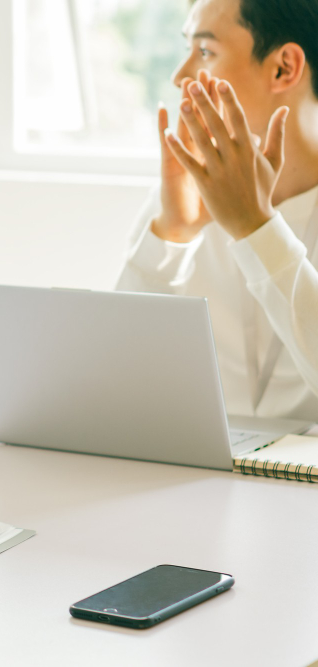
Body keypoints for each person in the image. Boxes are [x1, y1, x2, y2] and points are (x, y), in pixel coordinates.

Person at [116, 0, 318, 421]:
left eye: (205, 51)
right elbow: (115, 372)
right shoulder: (186, 192)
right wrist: (171, 235)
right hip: (201, 481)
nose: (180, 76)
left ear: (284, 67)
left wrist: (256, 228)